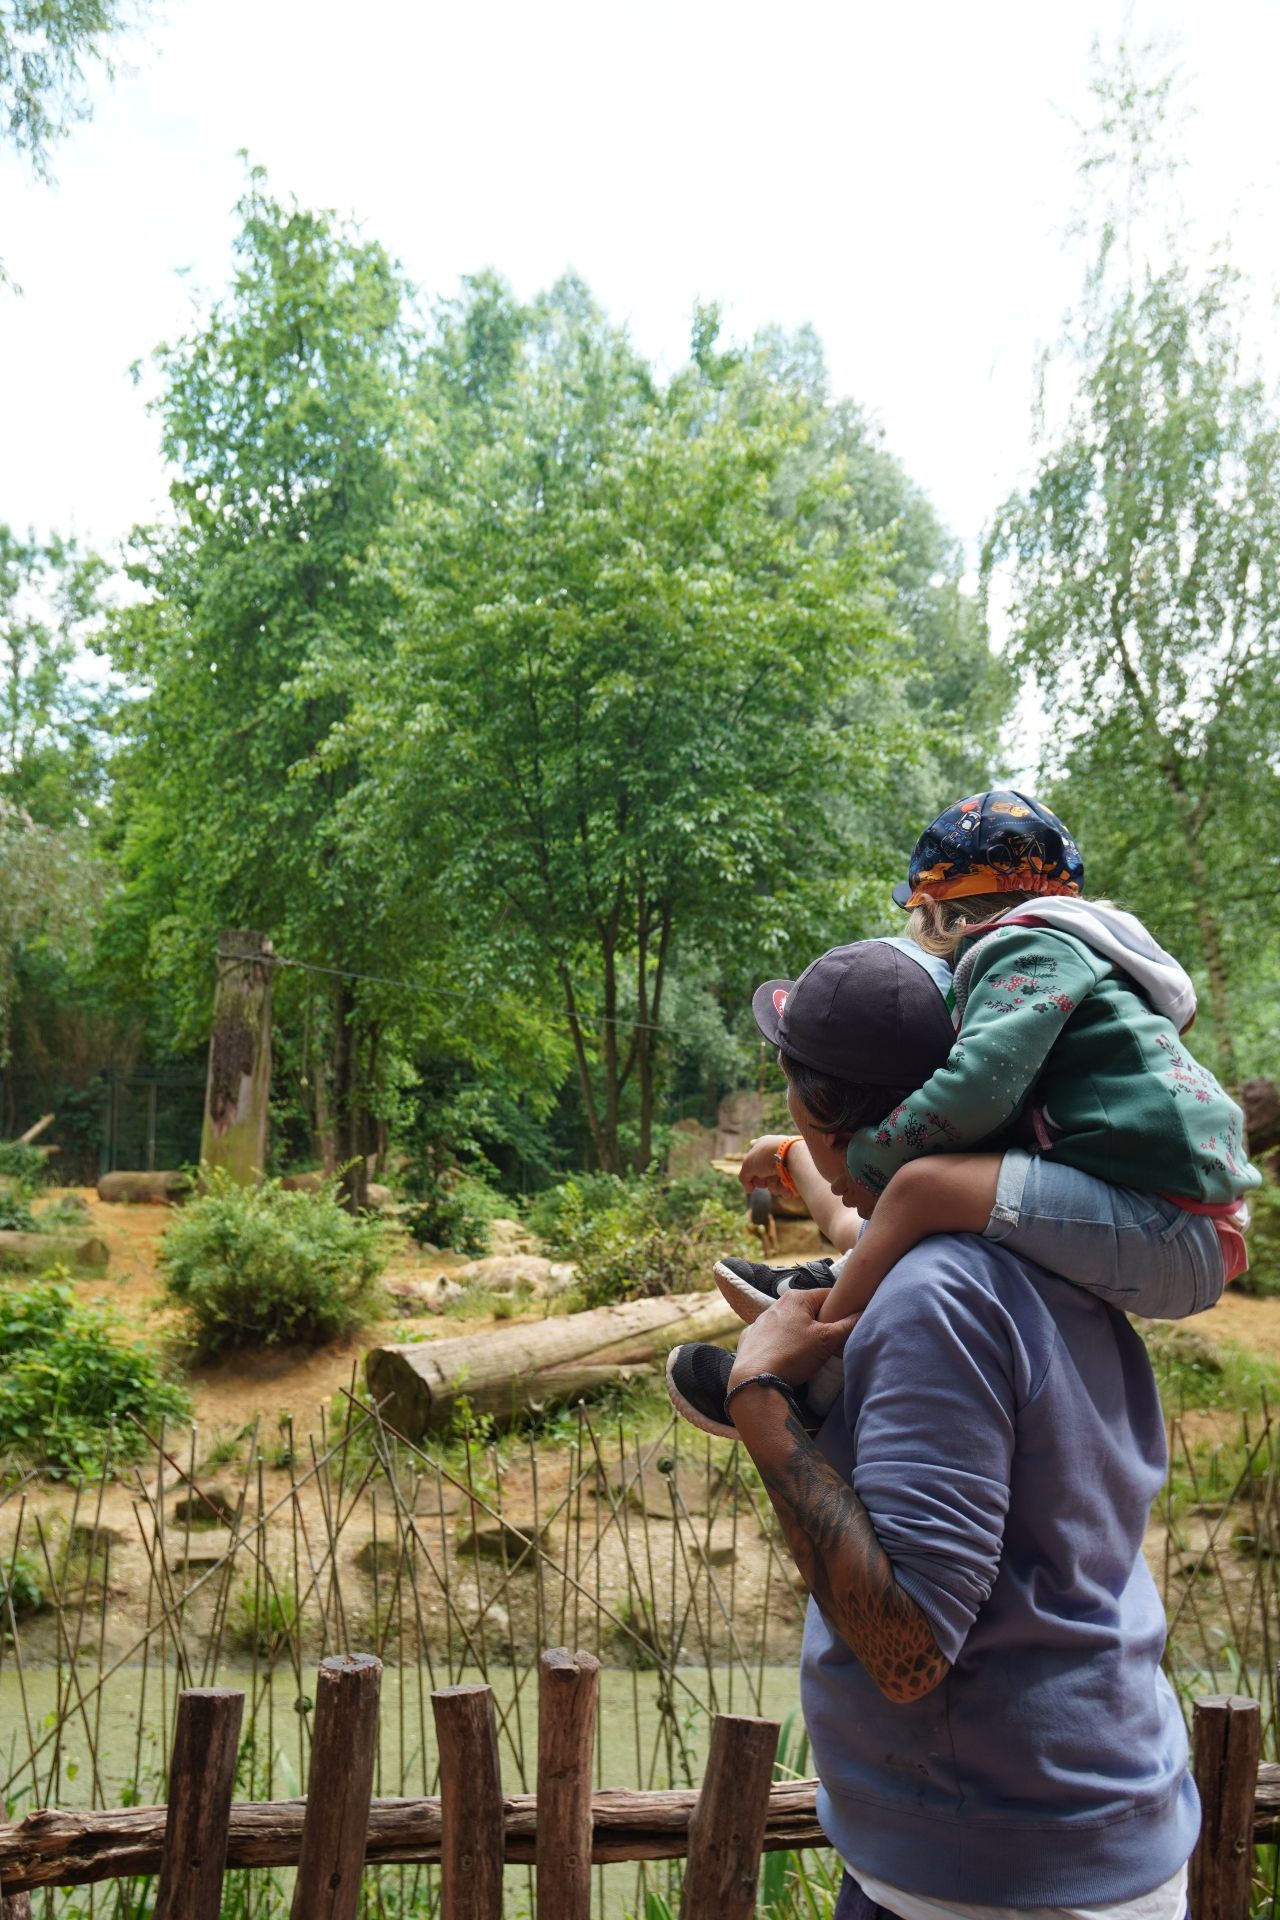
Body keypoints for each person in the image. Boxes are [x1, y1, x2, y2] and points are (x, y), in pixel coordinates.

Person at [672, 941, 1200, 1920]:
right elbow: (861, 1227)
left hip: (994, 1874)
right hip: (1050, 1825)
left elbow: (908, 1653)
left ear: (823, 1113)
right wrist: (800, 1167)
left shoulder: (934, 1299)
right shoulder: (1043, 1225)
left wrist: (758, 1400)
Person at [675, 791, 1257, 1435]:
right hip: (1166, 1219)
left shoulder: (1027, 949)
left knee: (923, 1187)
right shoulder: (1055, 960)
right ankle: (829, 1288)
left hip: (1169, 1226)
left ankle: (810, 1379)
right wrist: (792, 1153)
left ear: (932, 909)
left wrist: (871, 1157)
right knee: (935, 1192)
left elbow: (979, 1088)